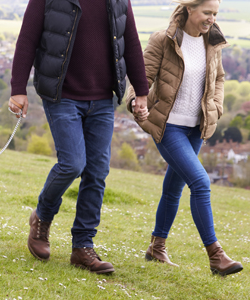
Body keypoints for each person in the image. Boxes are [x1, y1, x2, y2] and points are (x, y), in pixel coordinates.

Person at [8, 0, 149, 274]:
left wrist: (141, 91)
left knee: (97, 172)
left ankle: (83, 248)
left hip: (103, 99)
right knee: (72, 163)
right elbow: (27, 39)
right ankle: (42, 217)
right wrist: (17, 88)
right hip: (62, 95)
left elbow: (130, 40)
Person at [125, 0, 243, 276]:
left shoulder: (212, 43)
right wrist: (135, 102)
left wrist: (216, 106)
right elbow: (142, 77)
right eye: (206, 13)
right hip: (168, 127)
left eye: (215, 14)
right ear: (190, 9)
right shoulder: (163, 40)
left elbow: (219, 79)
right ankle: (216, 255)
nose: (211, 19)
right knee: (201, 182)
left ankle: (157, 246)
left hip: (196, 128)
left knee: (173, 188)